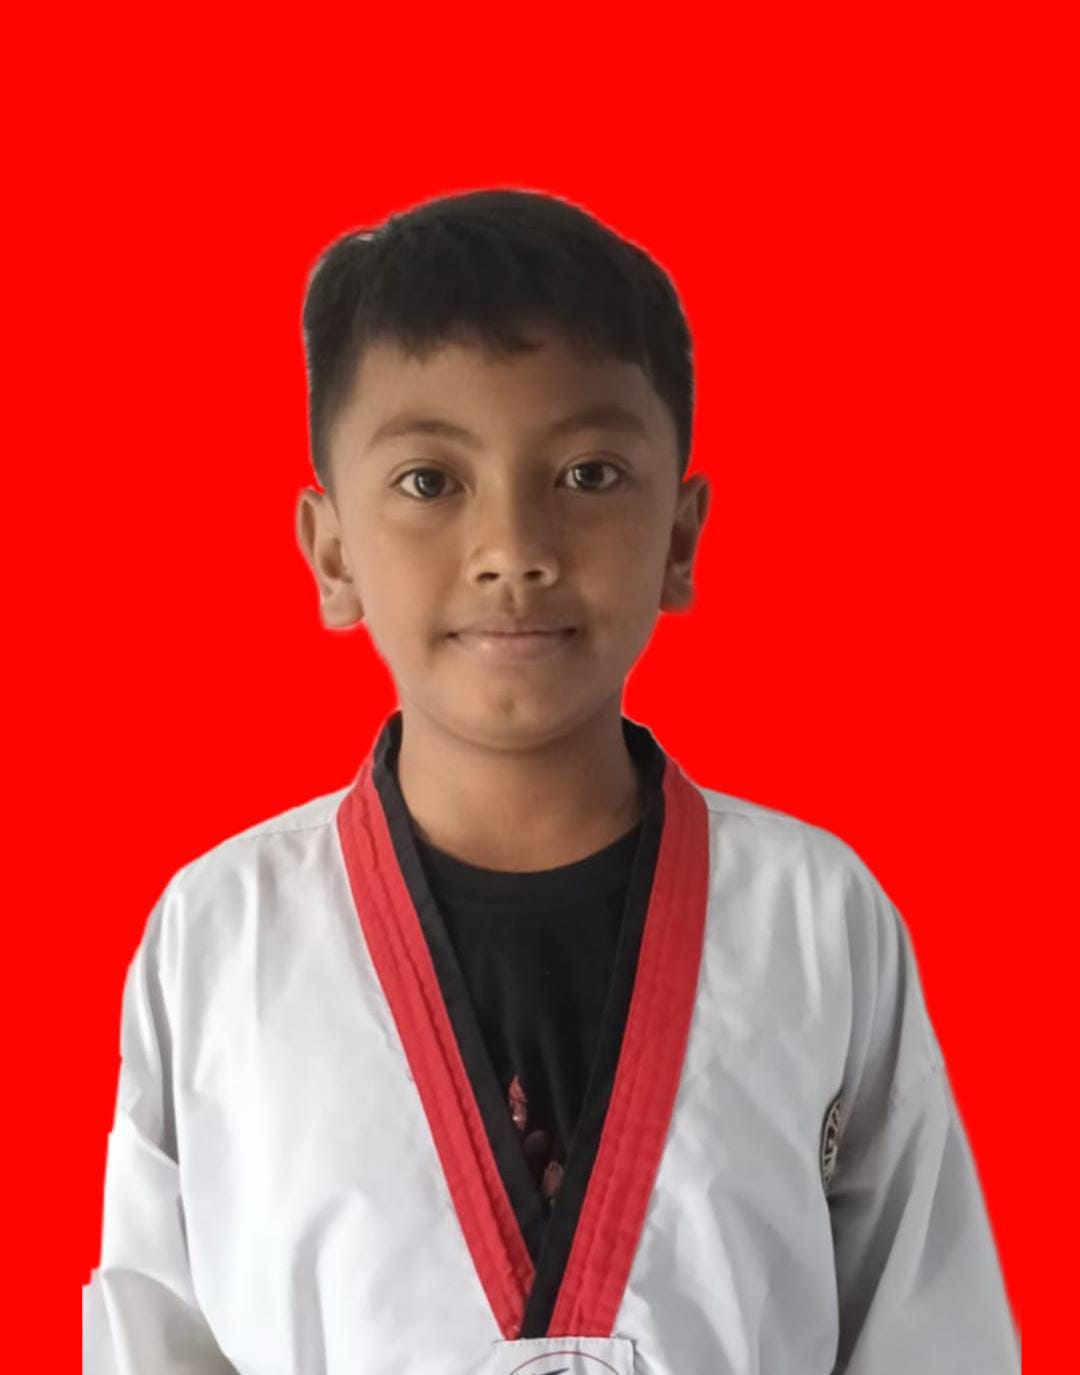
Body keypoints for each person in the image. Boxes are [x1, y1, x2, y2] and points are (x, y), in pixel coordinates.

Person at [83, 188, 1020, 1374]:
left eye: (587, 474)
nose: (513, 549)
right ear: (332, 553)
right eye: (430, 481)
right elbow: (154, 1339)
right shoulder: (218, 937)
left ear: (680, 535)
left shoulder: (817, 919)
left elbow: (930, 1327)